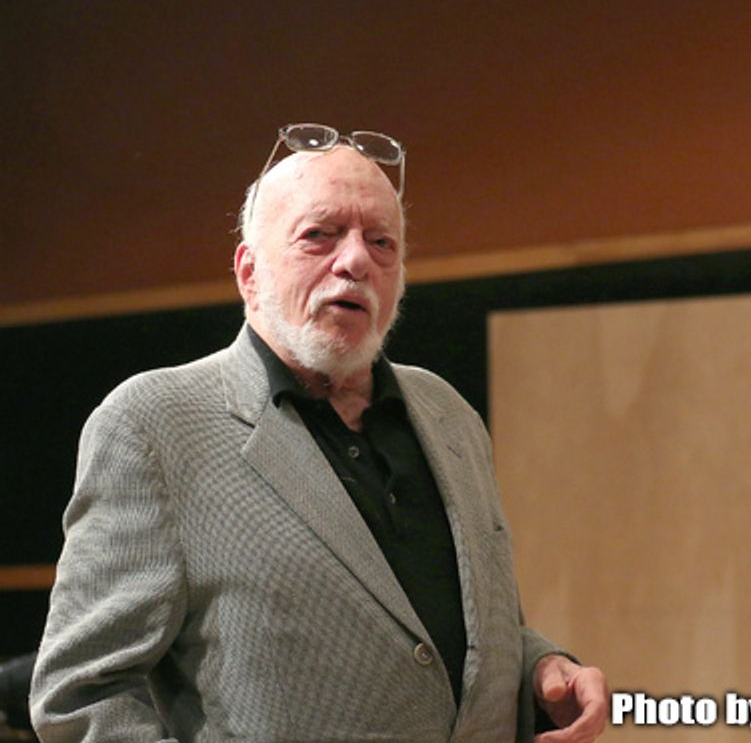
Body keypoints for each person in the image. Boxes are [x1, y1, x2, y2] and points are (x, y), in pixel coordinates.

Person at [30, 125, 608, 742]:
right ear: (249, 272)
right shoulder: (155, 422)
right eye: (319, 235)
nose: (357, 260)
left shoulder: (450, 416)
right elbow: (80, 695)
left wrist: (544, 666)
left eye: (381, 242)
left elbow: (458, 637)